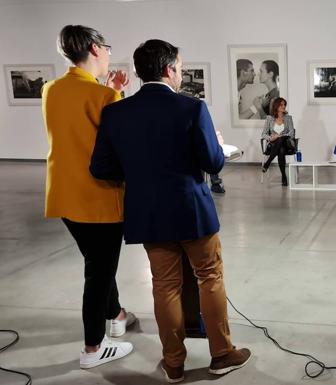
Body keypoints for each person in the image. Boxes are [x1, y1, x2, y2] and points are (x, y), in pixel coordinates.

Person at [89, 39, 251, 383]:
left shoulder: (116, 112)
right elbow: (212, 162)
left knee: (165, 286)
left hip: (148, 213)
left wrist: (139, 171)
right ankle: (222, 354)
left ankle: (173, 363)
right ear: (168, 70)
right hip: (191, 211)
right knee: (209, 278)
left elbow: (101, 168)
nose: (180, 74)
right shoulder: (192, 108)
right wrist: (218, 147)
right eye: (179, 68)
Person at [41, 25, 135, 369]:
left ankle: (118, 314)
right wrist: (114, 96)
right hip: (98, 198)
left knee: (97, 262)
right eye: (106, 47)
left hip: (63, 196)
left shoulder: (50, 89)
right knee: (98, 272)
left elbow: (79, 126)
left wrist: (108, 91)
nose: (109, 53)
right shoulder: (104, 97)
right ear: (95, 49)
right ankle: (93, 348)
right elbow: (117, 143)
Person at [261, 97, 295, 186]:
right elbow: (263, 134)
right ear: (276, 106)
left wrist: (279, 136)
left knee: (280, 140)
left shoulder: (288, 118)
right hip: (273, 145)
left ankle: (267, 163)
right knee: (281, 150)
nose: (284, 106)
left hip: (286, 143)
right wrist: (271, 138)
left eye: (284, 105)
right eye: (281, 105)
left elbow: (291, 133)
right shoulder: (269, 118)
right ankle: (284, 176)